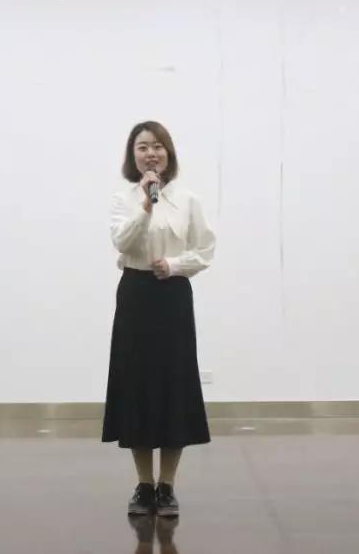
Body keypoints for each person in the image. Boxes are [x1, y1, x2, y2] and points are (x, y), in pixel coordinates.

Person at [102, 121, 216, 518]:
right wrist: (146, 206)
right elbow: (122, 242)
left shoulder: (188, 200)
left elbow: (205, 250)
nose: (151, 154)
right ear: (132, 156)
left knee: (173, 385)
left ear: (169, 153)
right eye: (143, 147)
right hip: (135, 294)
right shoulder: (124, 199)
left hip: (172, 296)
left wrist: (176, 264)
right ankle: (144, 485)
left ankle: (167, 486)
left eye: (158, 146)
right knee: (136, 385)